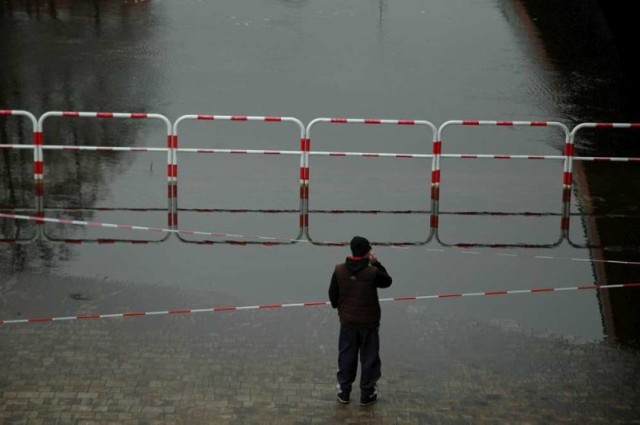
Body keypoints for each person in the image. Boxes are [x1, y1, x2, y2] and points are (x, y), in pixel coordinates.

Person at [328, 235, 393, 406]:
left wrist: (343, 307)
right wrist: (376, 263)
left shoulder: (339, 270)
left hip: (348, 323)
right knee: (370, 357)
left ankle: (344, 392)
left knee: (346, 356)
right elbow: (387, 281)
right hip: (369, 324)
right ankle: (367, 393)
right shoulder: (372, 272)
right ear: (366, 253)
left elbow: (333, 298)